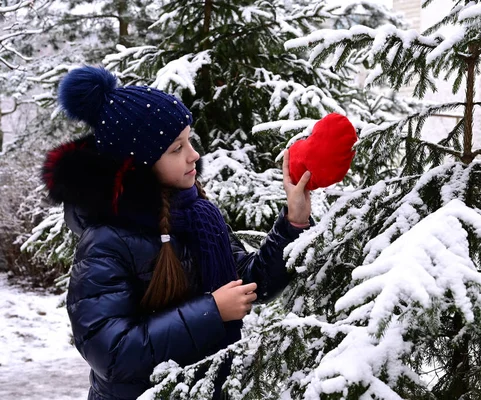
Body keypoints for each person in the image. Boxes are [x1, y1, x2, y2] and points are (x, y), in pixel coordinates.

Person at [41, 66, 313, 400]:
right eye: (176, 148)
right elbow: (110, 353)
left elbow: (247, 283)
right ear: (138, 164)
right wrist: (210, 312)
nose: (194, 154)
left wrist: (294, 222)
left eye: (189, 140)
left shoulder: (196, 213)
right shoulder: (106, 240)